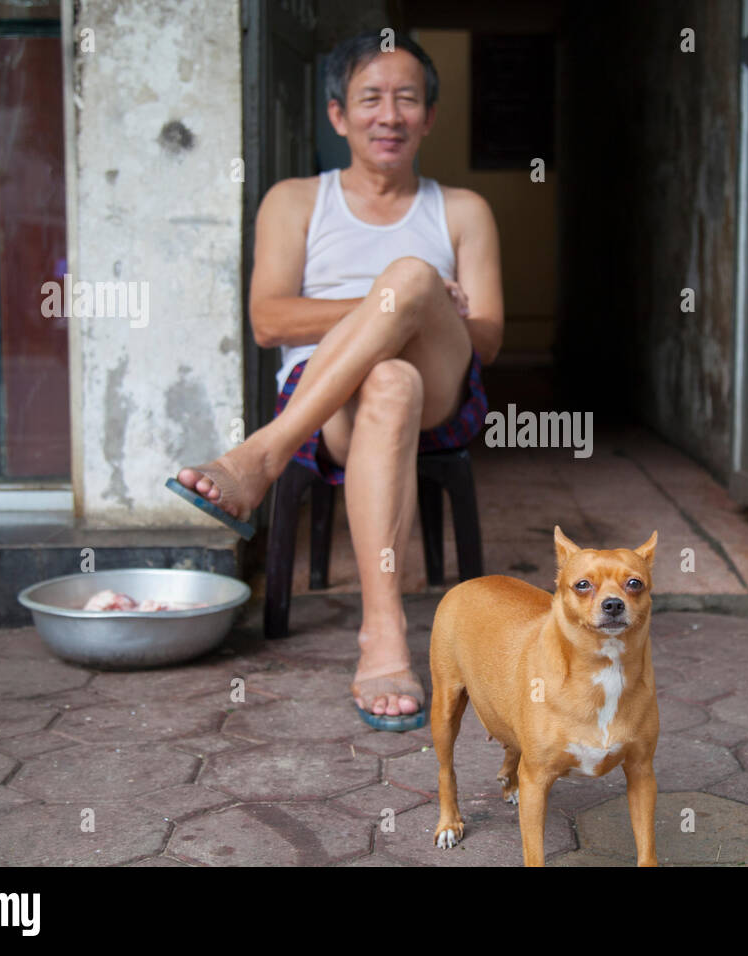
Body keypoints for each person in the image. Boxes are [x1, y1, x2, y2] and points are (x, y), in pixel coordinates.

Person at [170, 31, 504, 730]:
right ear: (337, 115)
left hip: (442, 392)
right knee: (388, 378)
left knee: (411, 282)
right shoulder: (295, 201)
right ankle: (383, 638)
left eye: (407, 99)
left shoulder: (463, 210)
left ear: (429, 116)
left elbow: (490, 339)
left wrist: (422, 306)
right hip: (333, 405)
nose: (390, 115)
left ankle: (259, 456)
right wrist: (390, 307)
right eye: (370, 99)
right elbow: (266, 320)